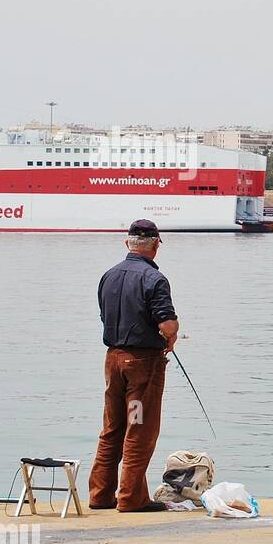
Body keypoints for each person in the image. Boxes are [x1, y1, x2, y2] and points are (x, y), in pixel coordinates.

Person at [88, 220, 179, 513]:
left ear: (127, 244)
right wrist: (172, 335)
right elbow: (166, 323)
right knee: (139, 427)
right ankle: (131, 497)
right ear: (155, 245)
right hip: (142, 366)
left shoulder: (108, 276)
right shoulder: (155, 279)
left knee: (112, 428)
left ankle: (100, 495)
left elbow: (105, 316)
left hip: (113, 361)